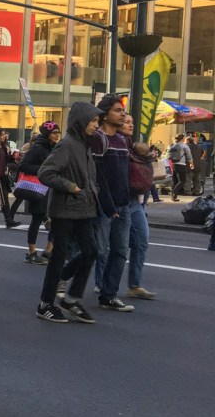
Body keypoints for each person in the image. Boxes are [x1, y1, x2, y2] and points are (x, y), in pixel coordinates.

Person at [35, 102, 104, 323]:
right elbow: (45, 173)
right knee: (58, 257)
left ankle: (70, 298)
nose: (96, 125)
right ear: (81, 121)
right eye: (93, 121)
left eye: (97, 122)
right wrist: (70, 186)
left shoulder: (85, 145)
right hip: (64, 210)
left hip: (84, 208)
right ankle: (45, 304)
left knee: (91, 251)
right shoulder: (67, 145)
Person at [88, 95, 136, 313]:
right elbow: (97, 176)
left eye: (123, 110)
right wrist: (108, 205)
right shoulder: (98, 138)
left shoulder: (123, 140)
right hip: (105, 205)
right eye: (118, 110)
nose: (123, 114)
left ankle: (109, 296)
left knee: (119, 252)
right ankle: (62, 279)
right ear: (105, 114)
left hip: (124, 204)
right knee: (97, 250)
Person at [19, 122, 60, 265]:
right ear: (47, 134)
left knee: (55, 221)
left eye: (58, 133)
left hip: (51, 190)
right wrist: (43, 170)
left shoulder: (54, 148)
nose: (57, 135)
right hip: (38, 189)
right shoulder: (38, 148)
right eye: (54, 133)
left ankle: (48, 251)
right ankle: (32, 252)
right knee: (36, 221)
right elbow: (23, 166)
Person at [126, 130, 156, 300]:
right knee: (107, 248)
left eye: (131, 122)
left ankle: (135, 285)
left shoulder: (143, 158)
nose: (130, 125)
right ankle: (103, 284)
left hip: (135, 203)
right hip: (119, 202)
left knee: (142, 241)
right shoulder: (120, 148)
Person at [168, 133, 192, 201]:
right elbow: (189, 155)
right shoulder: (184, 146)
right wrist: (191, 163)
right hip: (181, 164)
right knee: (182, 180)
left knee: (175, 180)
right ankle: (173, 192)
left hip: (173, 164)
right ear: (183, 139)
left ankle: (174, 197)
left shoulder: (172, 145)